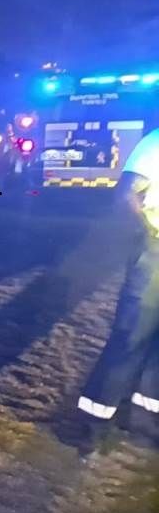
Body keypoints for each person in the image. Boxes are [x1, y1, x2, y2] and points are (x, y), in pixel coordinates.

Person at [74, 126, 159, 446]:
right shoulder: (156, 142)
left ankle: (143, 423)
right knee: (130, 337)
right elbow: (126, 194)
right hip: (155, 254)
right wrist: (149, 235)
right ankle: (93, 425)